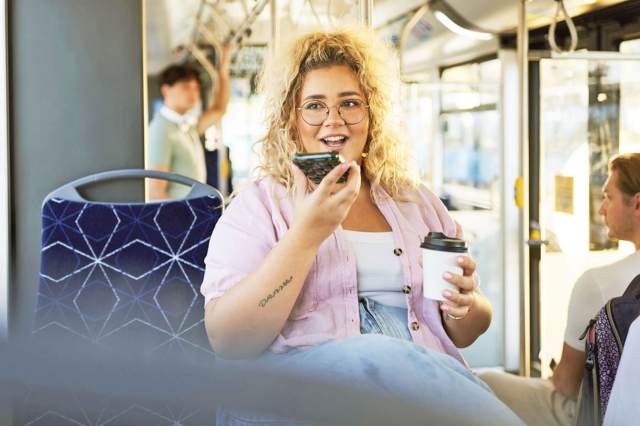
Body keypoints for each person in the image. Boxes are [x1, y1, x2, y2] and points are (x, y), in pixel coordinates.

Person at [200, 28, 520, 425]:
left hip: (416, 393)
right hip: (301, 398)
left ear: (372, 116)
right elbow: (229, 340)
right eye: (314, 106)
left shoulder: (415, 202)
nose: (333, 121)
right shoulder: (259, 205)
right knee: (376, 354)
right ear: (291, 119)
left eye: (350, 103)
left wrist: (468, 305)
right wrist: (305, 236)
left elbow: (465, 332)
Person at [480, 152, 640, 426]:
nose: (601, 209)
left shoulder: (597, 284)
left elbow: (565, 385)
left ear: (637, 204)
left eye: (608, 197)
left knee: (483, 383)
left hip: (596, 414)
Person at [147, 46, 231, 200]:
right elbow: (155, 193)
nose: (193, 93)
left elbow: (219, 109)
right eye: (186, 87)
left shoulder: (186, 127)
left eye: (196, 88)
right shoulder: (161, 130)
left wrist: (223, 68)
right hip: (180, 219)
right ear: (166, 90)